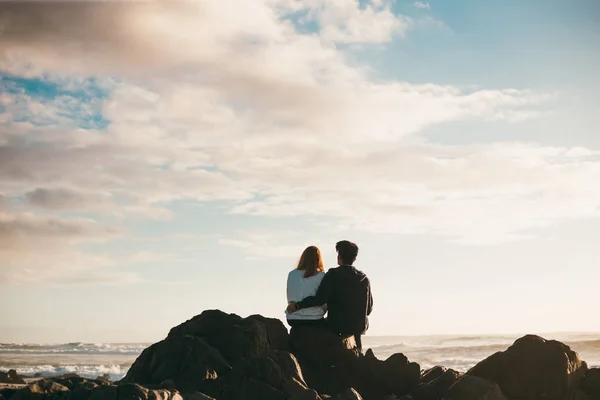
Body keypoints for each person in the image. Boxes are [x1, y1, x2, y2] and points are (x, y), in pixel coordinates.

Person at [287, 240, 373, 351]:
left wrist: (298, 305)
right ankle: (359, 353)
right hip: (359, 326)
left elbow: (320, 299)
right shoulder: (364, 279)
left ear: (339, 257)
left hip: (337, 326)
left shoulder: (333, 275)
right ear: (354, 259)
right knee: (354, 326)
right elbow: (369, 309)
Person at [285, 246, 328, 327]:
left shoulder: (292, 274)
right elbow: (324, 300)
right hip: (315, 318)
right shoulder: (321, 276)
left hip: (293, 318)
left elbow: (290, 297)